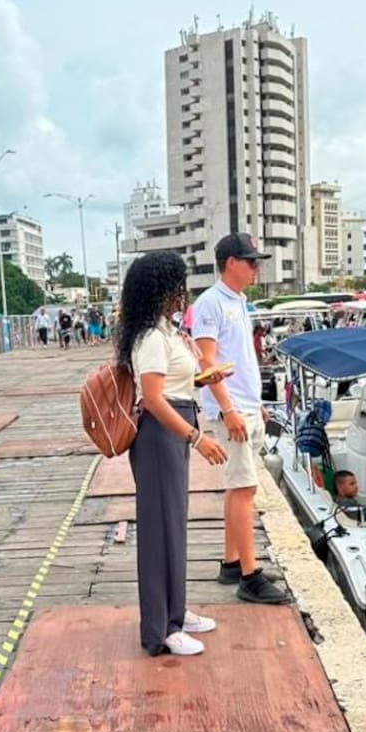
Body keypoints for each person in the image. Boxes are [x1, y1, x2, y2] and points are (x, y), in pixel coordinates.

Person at [119, 251, 228, 655]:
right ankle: (159, 628)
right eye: (178, 285)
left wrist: (204, 377)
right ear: (161, 289)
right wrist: (197, 439)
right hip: (160, 434)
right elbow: (152, 400)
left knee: (174, 526)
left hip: (174, 427)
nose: (185, 293)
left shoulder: (166, 331)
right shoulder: (150, 337)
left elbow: (175, 385)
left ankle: (175, 612)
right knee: (158, 530)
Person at [193, 233, 291, 604]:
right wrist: (229, 409)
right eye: (251, 261)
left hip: (246, 406)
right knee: (244, 488)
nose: (256, 268)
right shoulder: (211, 304)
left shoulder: (237, 302)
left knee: (239, 486)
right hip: (231, 408)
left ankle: (232, 561)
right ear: (230, 262)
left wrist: (255, 403)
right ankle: (250, 577)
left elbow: (240, 358)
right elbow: (208, 361)